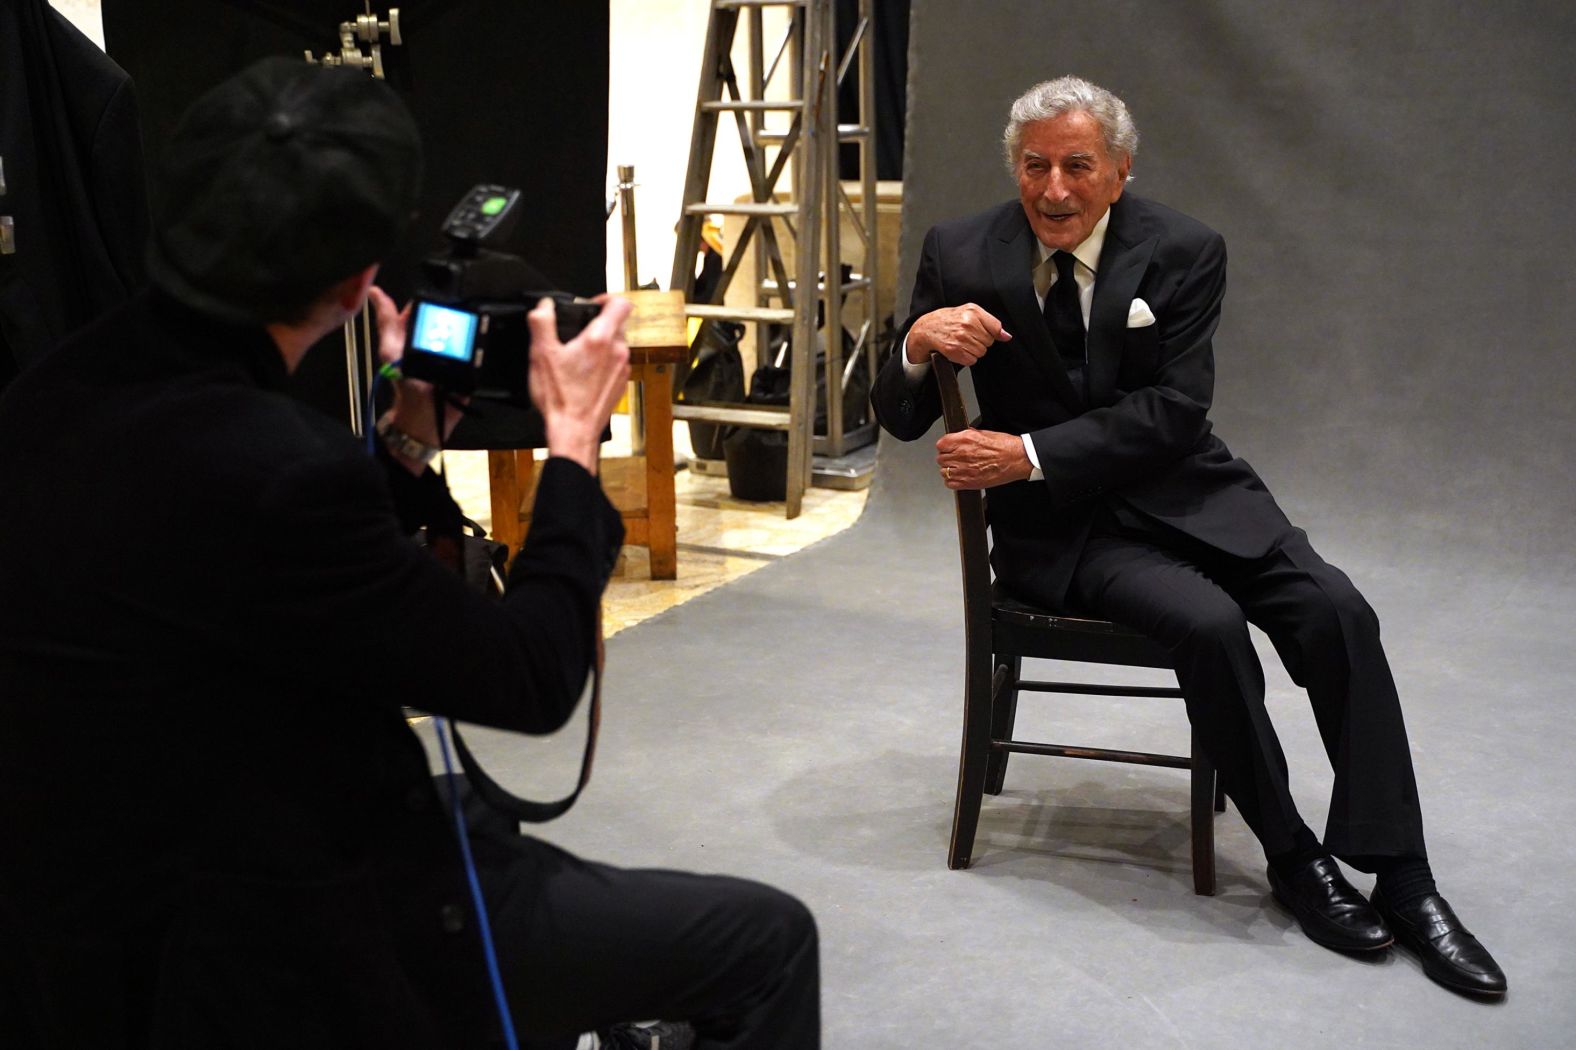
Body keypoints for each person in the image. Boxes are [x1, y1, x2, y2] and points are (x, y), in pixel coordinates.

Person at [0, 58, 818, 1048]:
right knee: (769, 939)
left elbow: (250, 576)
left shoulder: (47, 398)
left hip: (91, 904)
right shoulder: (283, 472)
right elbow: (530, 678)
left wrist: (406, 443)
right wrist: (570, 448)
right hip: (280, 930)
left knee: (474, 808)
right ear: (355, 284)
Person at [872, 75, 1505, 997]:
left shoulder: (1185, 249)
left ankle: (1404, 875)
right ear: (1016, 166)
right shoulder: (959, 248)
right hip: (1072, 536)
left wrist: (1031, 451)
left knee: (1338, 612)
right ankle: (1295, 857)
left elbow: (1175, 411)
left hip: (1195, 494)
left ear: (1119, 172)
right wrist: (917, 344)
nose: (1054, 189)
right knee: (1208, 628)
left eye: (1078, 166)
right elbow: (896, 415)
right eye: (1035, 166)